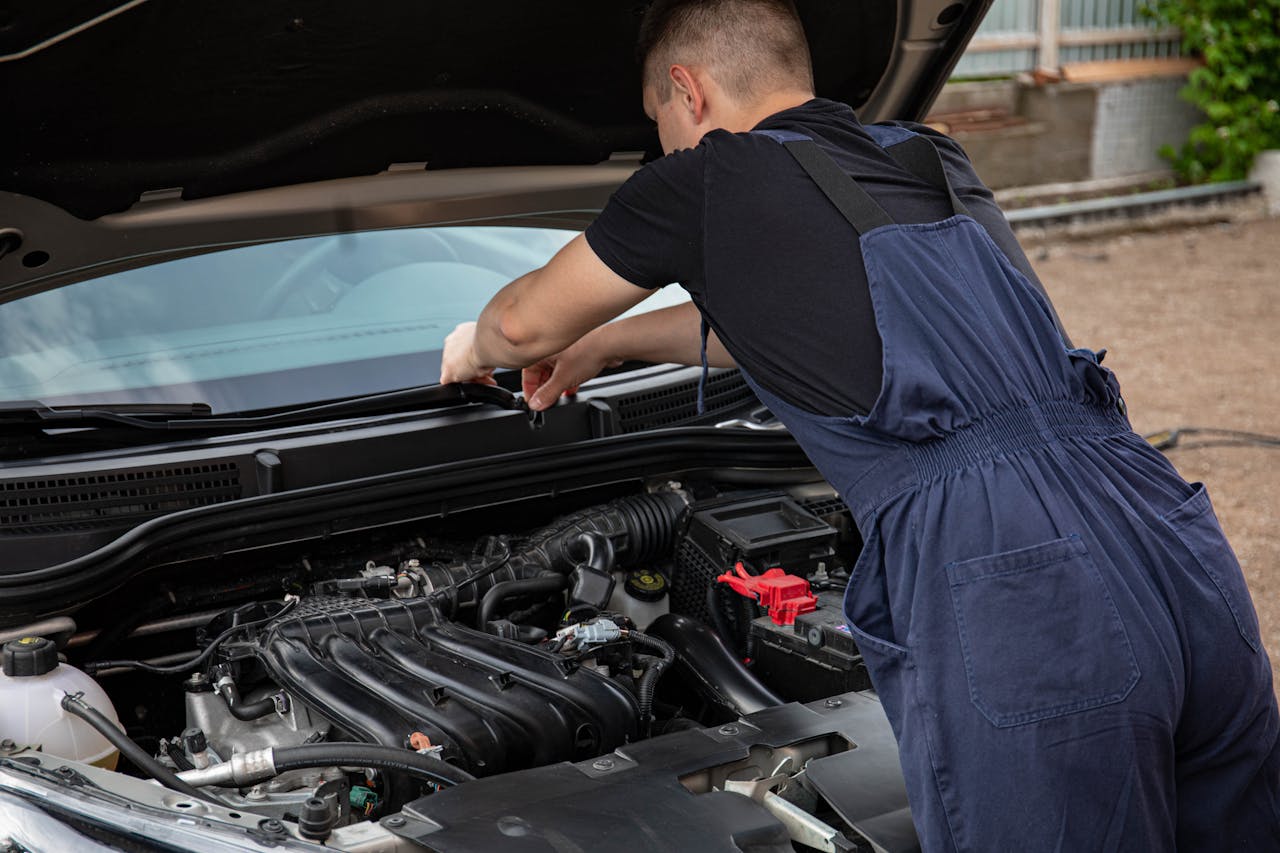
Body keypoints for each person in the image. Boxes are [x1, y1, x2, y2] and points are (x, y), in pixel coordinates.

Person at [439, 0, 1280, 849]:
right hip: (1157, 520)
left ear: (686, 91)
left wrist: (469, 345)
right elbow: (792, 323)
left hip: (1010, 571)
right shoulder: (926, 154)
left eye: (659, 122)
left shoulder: (702, 178)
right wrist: (610, 344)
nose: (662, 143)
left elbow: (520, 325)